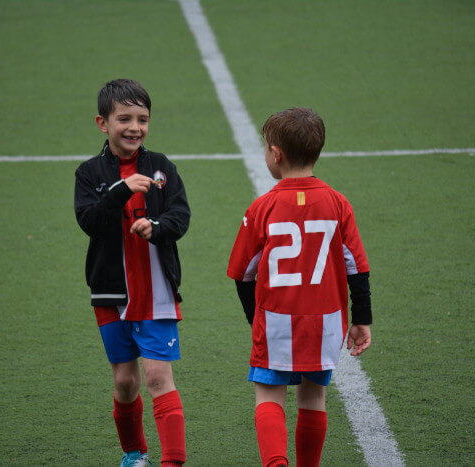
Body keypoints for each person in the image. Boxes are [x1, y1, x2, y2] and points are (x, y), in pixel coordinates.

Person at [226, 107, 373, 467]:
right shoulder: (338, 203)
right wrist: (362, 318)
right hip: (326, 320)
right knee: (313, 396)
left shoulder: (263, 207)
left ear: (275, 154)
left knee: (269, 395)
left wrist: (254, 319)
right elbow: (357, 268)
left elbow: (243, 273)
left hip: (277, 319)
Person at [75, 79, 190, 467]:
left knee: (158, 379)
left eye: (142, 119)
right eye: (124, 118)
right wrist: (121, 190)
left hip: (156, 292)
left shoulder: (162, 167)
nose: (134, 127)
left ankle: (172, 462)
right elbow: (90, 221)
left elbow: (180, 216)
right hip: (111, 293)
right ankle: (134, 454)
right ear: (102, 123)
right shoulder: (89, 173)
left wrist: (155, 229)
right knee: (125, 382)